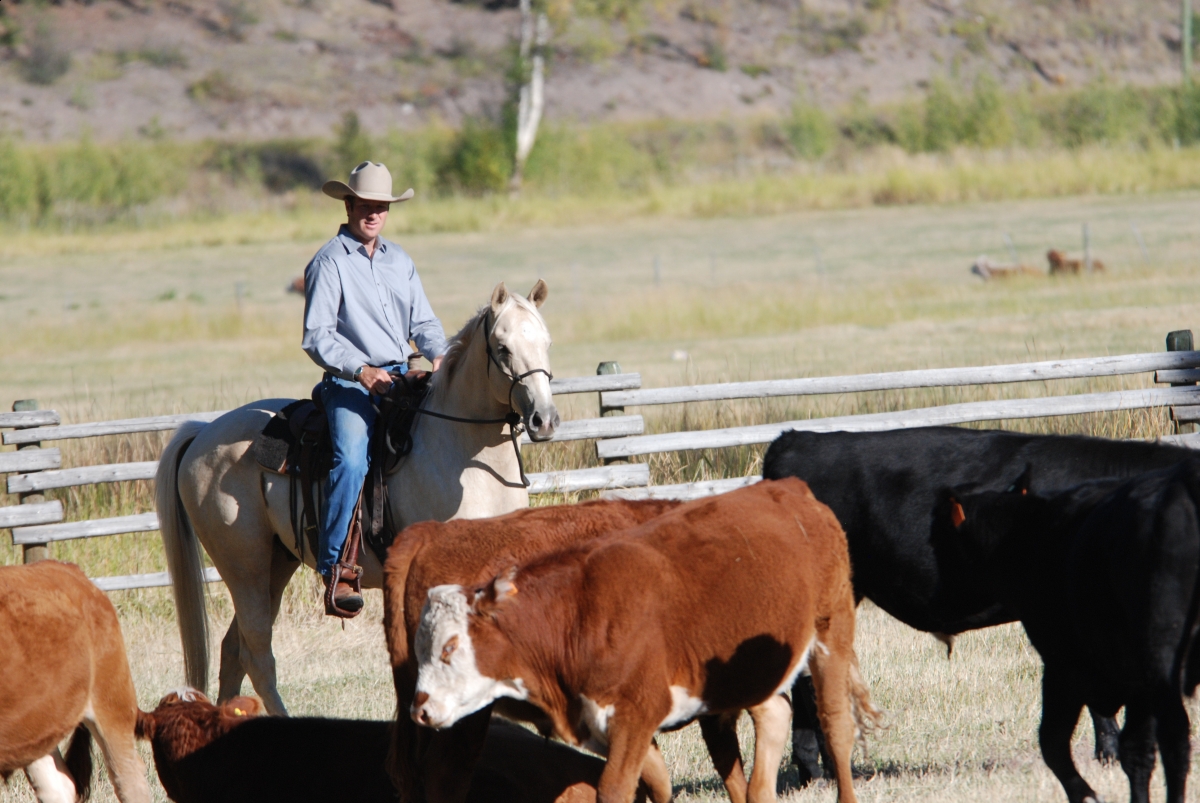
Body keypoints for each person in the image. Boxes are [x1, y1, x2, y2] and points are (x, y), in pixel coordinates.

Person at [302, 161, 447, 617]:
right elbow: (318, 335)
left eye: (380, 206)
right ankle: (337, 566)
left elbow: (422, 321)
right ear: (348, 205)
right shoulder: (328, 262)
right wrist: (361, 370)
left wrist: (440, 354)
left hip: (401, 375)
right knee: (351, 456)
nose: (373, 213)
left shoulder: (399, 260)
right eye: (365, 205)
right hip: (350, 384)